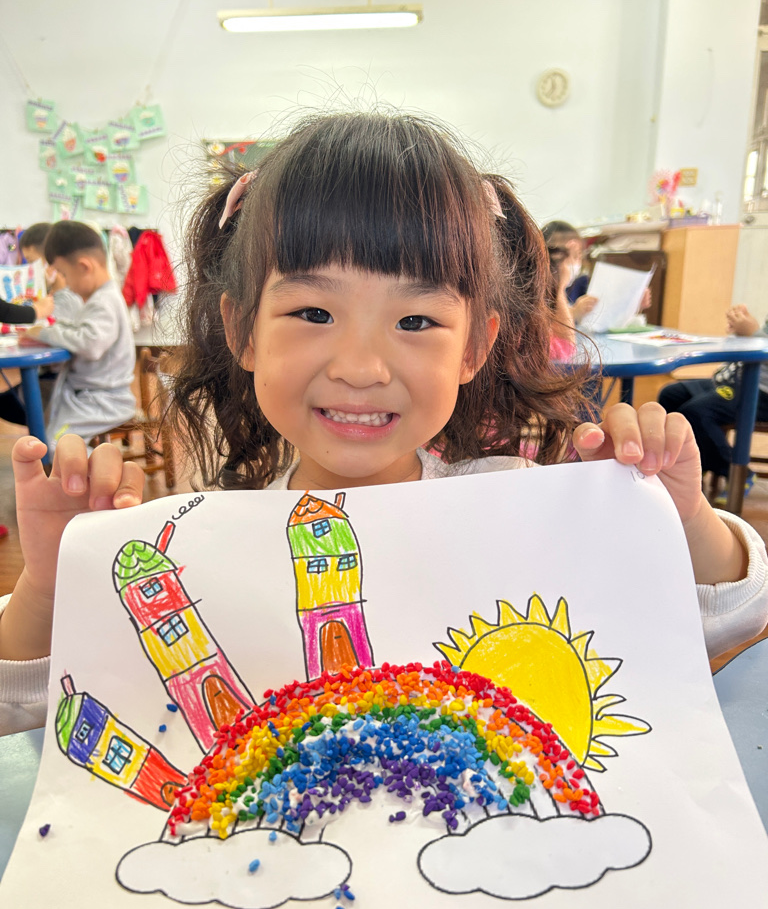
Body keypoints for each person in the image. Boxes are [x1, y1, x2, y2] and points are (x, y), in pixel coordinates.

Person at [1, 111, 766, 735]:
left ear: (475, 347)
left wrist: (682, 523)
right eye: (313, 312)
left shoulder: (512, 503)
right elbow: (22, 706)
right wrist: (49, 586)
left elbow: (719, 624)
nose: (361, 366)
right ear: (241, 331)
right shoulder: (207, 548)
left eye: (415, 319)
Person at [29, 220, 137, 445]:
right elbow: (81, 331)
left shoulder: (104, 302)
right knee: (52, 434)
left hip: (104, 400)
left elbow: (90, 343)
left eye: (64, 274)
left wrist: (42, 334)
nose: (67, 284)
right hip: (90, 395)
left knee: (58, 443)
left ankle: (98, 470)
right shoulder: (100, 298)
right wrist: (49, 331)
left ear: (84, 267)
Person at [658, 304, 768, 496]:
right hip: (738, 380)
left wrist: (753, 334)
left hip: (761, 392)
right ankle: (687, 468)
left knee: (697, 413)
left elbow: (761, 344)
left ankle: (737, 473)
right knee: (671, 395)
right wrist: (741, 331)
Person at [0, 224, 83, 427]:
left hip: (63, 386)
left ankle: (43, 441)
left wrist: (33, 329)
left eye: (32, 262)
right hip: (50, 379)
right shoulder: (50, 298)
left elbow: (58, 338)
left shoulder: (67, 300)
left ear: (52, 263)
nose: (29, 270)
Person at [541, 220, 597, 325]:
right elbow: (550, 325)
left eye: (577, 256)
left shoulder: (576, 285)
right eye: (561, 254)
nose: (572, 263)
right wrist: (574, 313)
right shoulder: (537, 292)